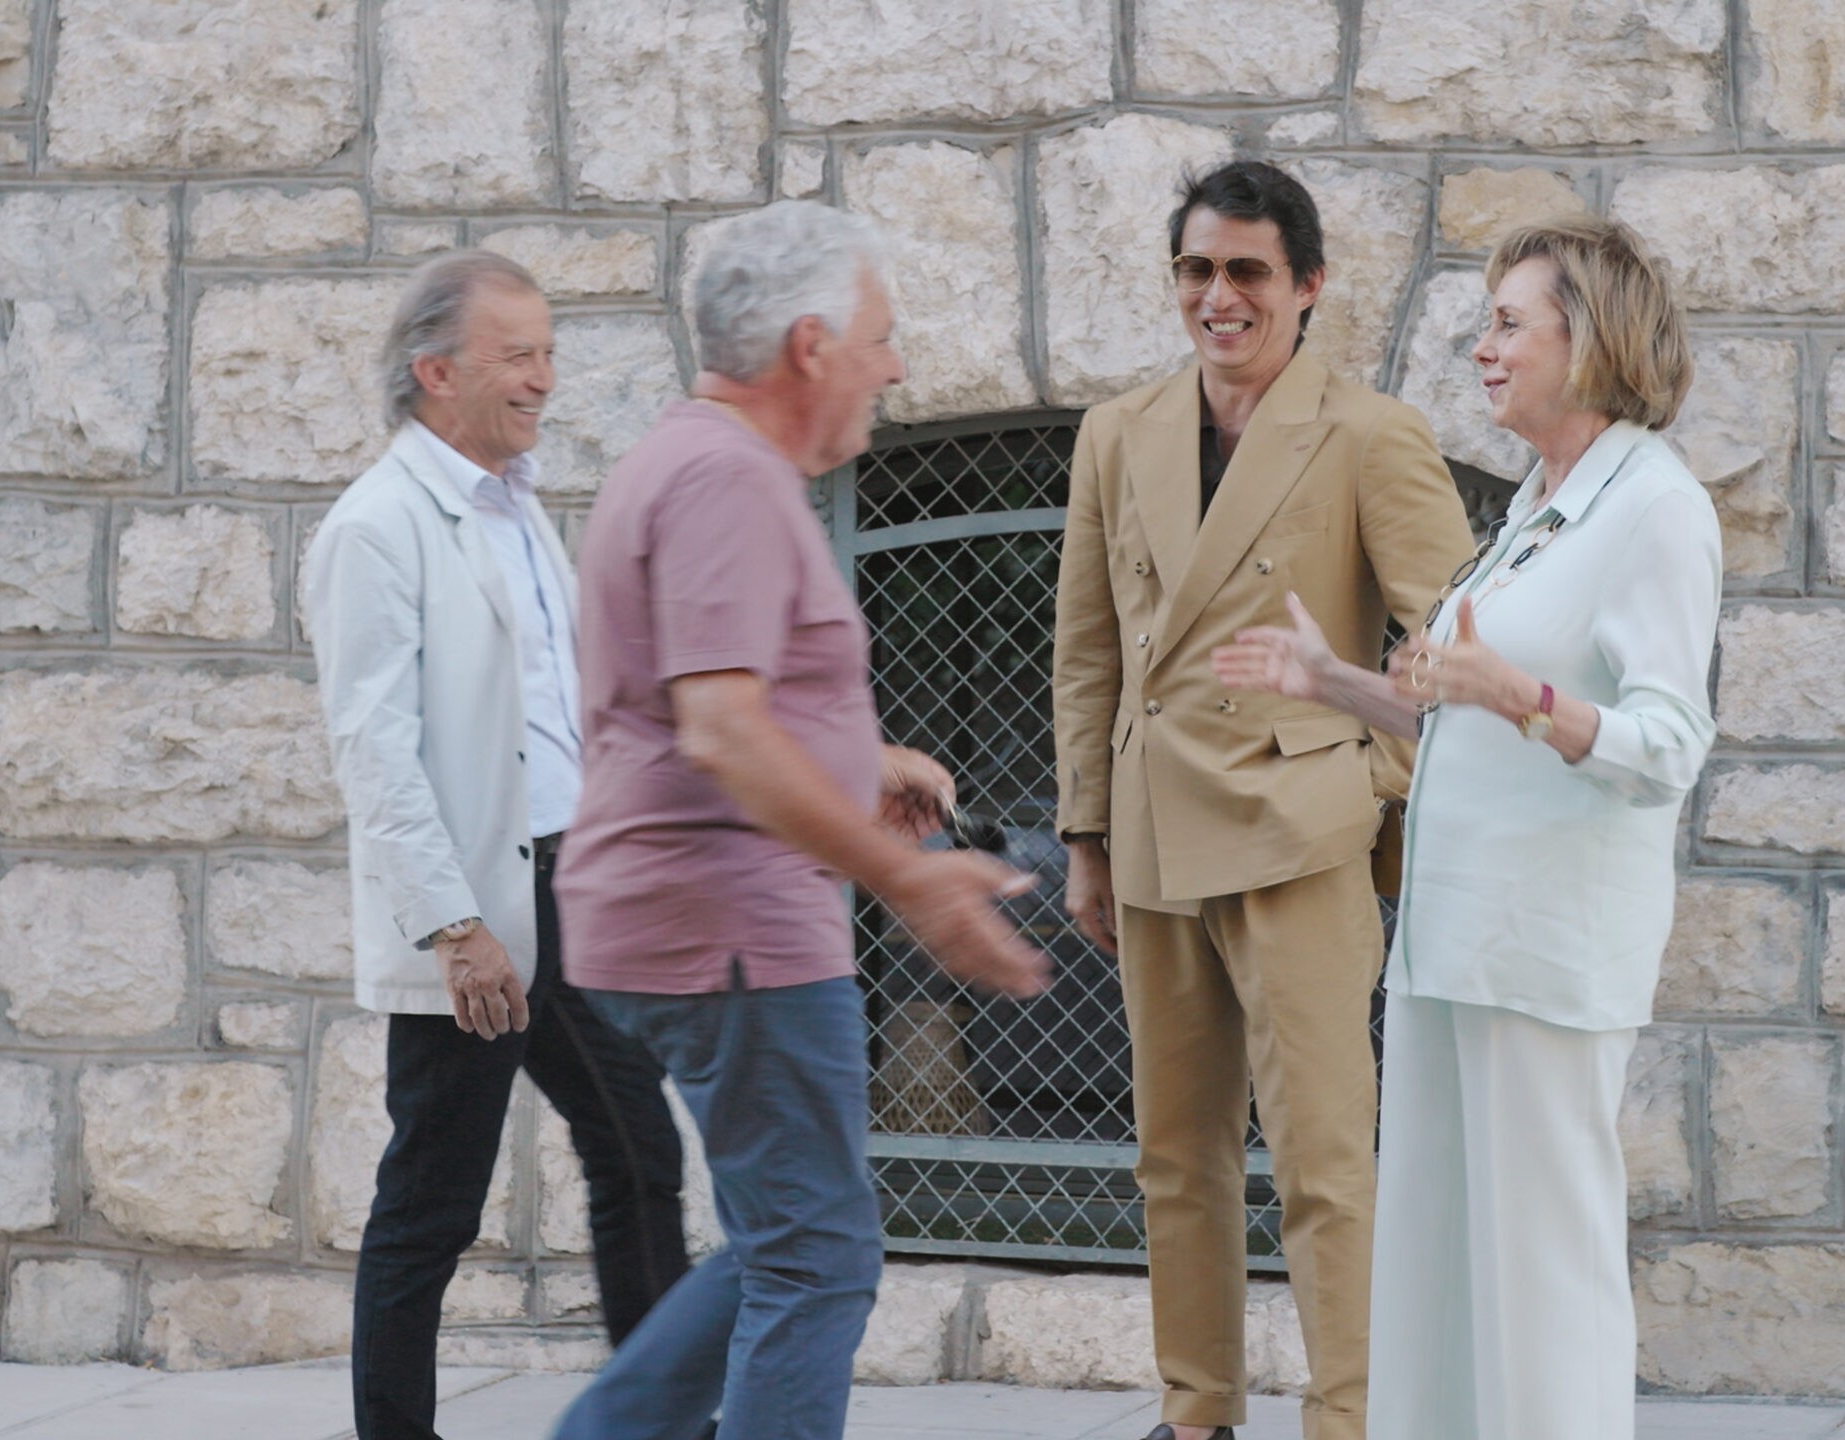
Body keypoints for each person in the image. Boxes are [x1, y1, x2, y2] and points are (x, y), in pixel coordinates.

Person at [1212, 213, 1721, 1440]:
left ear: (1585, 338)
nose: (1478, 347)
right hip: (1453, 949)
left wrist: (1525, 698)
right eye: (1482, 323)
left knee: (1546, 1280)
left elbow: (1667, 745)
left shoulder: (1653, 508)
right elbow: (1459, 709)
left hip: (1543, 960)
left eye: (1505, 323)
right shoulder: (1542, 504)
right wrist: (1333, 680)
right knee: (1443, 1274)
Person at [546, 200, 1050, 1440]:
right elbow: (720, 728)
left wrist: (851, 757)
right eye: (882, 338)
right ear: (813, 346)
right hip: (736, 928)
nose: (897, 365)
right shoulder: (727, 477)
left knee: (792, 1235)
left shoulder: (685, 457)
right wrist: (913, 880)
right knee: (815, 1260)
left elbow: (702, 703)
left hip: (684, 914)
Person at [1052, 159, 1475, 1440]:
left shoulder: (1369, 432)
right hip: (1153, 842)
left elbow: (1455, 647)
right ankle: (1197, 1416)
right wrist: (1083, 835)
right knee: (1175, 1162)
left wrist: (1368, 780)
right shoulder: (1116, 431)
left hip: (1299, 843)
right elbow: (1088, 650)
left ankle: (1348, 1420)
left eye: (1245, 271)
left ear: (1306, 287)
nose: (1217, 296)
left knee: (1325, 1169)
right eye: (1196, 269)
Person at [305, 250, 694, 1440]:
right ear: (435, 372)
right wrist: (454, 927)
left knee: (635, 1150)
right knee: (432, 1199)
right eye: (518, 355)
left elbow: (558, 716)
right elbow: (374, 751)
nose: (545, 380)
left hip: (564, 889)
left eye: (548, 351)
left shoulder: (516, 505)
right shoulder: (374, 530)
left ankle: (663, 1421)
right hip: (473, 913)